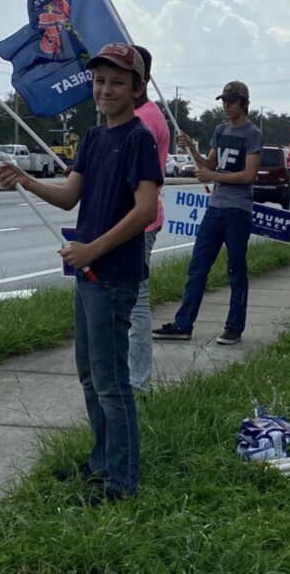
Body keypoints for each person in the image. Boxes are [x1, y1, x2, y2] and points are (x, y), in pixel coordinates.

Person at [0, 43, 162, 503]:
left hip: (114, 275)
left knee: (113, 384)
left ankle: (122, 484)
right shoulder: (93, 138)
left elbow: (146, 210)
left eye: (117, 82)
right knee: (90, 376)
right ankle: (102, 463)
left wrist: (93, 250)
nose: (106, 89)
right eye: (99, 80)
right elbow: (70, 197)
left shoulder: (139, 139)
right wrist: (25, 179)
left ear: (137, 88)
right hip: (87, 274)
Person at [152, 80, 262, 345]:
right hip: (215, 208)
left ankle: (234, 326)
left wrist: (214, 176)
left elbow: (250, 175)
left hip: (238, 210)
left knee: (236, 269)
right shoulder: (220, 130)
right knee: (197, 267)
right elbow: (208, 164)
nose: (226, 106)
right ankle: (183, 324)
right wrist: (191, 147)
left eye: (231, 101)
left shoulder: (253, 133)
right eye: (224, 101)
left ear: (244, 104)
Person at [129, 45, 170, 394]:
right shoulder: (150, 114)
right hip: (142, 218)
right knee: (131, 299)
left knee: (136, 301)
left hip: (138, 221)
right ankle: (133, 380)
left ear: (142, 81)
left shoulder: (144, 121)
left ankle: (138, 383)